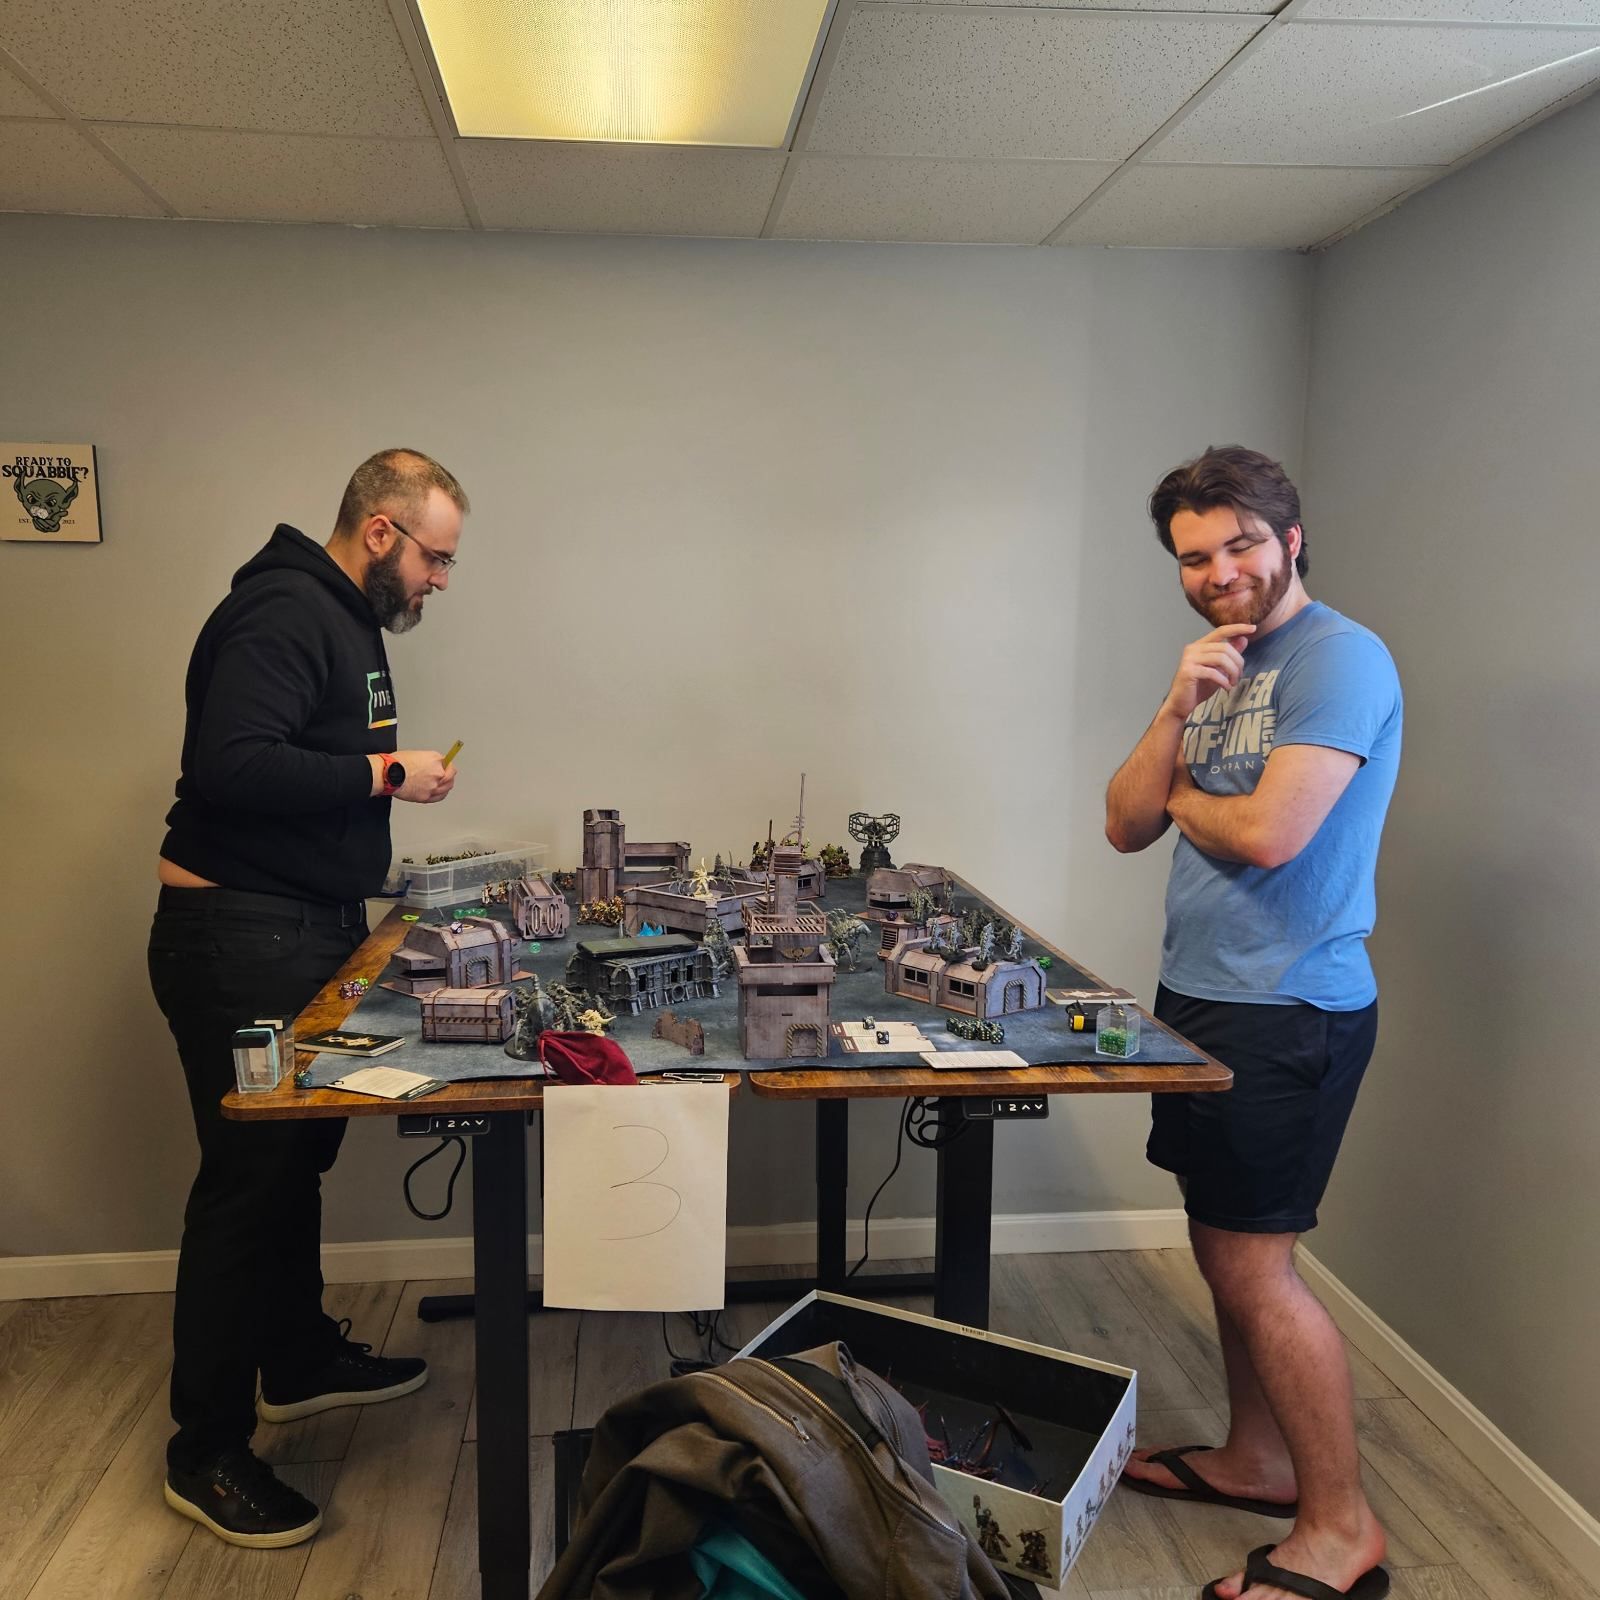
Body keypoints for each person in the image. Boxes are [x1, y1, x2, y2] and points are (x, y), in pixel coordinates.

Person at [147, 448, 467, 1547]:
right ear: (379, 531)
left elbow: (301, 770)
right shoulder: (283, 611)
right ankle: (207, 1450)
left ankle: (295, 1355)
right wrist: (389, 774)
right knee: (247, 1182)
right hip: (237, 940)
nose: (436, 580)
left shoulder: (343, 617)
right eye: (433, 557)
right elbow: (231, 765)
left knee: (296, 1165)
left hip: (298, 930)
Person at [1104, 446, 1402, 1600]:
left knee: (1256, 1266)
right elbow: (1124, 822)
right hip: (1207, 998)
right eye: (1192, 556)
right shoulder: (1220, 665)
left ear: (1289, 537)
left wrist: (1188, 796)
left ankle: (1339, 1529)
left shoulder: (1340, 658)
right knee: (1221, 1250)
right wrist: (1178, 707)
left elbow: (1272, 834)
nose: (1217, 571)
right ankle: (1254, 1456)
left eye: (1236, 545)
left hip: (1289, 1009)